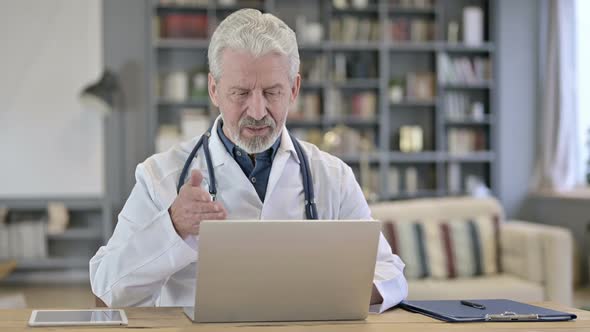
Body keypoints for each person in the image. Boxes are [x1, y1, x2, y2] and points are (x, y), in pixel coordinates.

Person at [90, 8, 407, 313]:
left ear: (294, 88)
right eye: (241, 93)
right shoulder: (161, 176)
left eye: (272, 92)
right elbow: (106, 293)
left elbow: (389, 273)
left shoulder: (331, 177)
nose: (257, 112)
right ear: (214, 90)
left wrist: (321, 293)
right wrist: (172, 226)